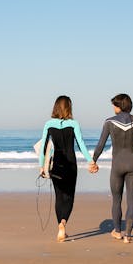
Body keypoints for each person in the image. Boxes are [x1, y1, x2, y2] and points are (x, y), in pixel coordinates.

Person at [90, 94, 133, 243]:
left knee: (116, 200)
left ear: (119, 106)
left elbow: (100, 144)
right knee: (132, 200)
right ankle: (128, 235)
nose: (113, 108)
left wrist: (93, 160)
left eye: (114, 105)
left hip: (117, 165)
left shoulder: (109, 122)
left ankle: (117, 231)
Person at [39, 95, 94, 242]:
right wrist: (91, 160)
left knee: (59, 196)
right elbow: (81, 144)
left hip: (56, 164)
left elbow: (43, 148)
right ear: (69, 107)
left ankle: (59, 227)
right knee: (69, 196)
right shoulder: (74, 124)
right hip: (70, 163)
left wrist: (41, 166)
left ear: (55, 107)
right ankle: (63, 223)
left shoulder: (48, 124)